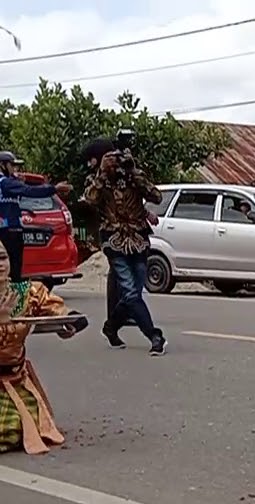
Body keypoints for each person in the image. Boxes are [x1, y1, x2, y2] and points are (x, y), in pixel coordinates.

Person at [78, 139, 165, 355]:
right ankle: (155, 336)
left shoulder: (132, 175)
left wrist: (134, 171)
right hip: (114, 240)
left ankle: (110, 327)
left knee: (133, 291)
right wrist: (101, 174)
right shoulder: (96, 179)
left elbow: (156, 196)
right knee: (129, 290)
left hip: (139, 239)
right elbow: (90, 200)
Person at [0, 243, 88, 454]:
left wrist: (66, 321)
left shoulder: (27, 292)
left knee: (17, 429)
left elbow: (53, 308)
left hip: (15, 378)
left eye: (2, 258)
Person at [0, 151, 71, 282]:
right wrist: (53, 189)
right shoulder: (4, 183)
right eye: (12, 165)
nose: (15, 169)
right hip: (8, 232)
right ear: (2, 165)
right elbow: (29, 191)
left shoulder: (9, 182)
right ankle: (14, 298)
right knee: (13, 272)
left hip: (11, 230)